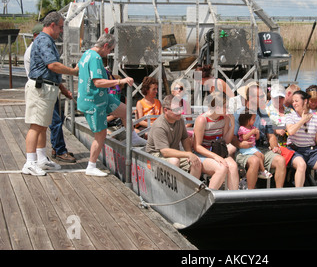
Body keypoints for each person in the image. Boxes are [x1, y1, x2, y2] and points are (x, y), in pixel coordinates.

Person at [77, 33, 147, 177]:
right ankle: (91, 165)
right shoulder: (96, 58)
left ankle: (132, 136)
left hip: (103, 97)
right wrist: (119, 81)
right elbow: (97, 82)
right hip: (94, 101)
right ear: (105, 46)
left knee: (126, 111)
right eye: (110, 50)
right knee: (101, 133)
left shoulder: (86, 54)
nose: (109, 53)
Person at [23, 12, 79, 176]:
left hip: (47, 88)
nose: (61, 31)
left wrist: (61, 88)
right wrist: (73, 72)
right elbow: (52, 65)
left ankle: (41, 158)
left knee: (42, 125)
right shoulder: (44, 40)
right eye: (60, 27)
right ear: (52, 25)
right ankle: (30, 162)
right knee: (36, 125)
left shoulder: (44, 40)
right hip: (41, 89)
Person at [233, 82, 286, 189]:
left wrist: (275, 147)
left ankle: (279, 194)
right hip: (244, 151)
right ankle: (250, 195)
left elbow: (271, 136)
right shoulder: (239, 114)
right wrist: (241, 144)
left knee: (280, 160)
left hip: (262, 148)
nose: (264, 98)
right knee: (254, 161)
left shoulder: (264, 113)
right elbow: (232, 139)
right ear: (251, 97)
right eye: (261, 96)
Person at [285, 90, 317, 187]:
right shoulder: (290, 116)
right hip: (295, 150)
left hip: (311, 151)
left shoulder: (315, 118)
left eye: (296, 101)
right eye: (293, 101)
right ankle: (298, 194)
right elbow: (290, 131)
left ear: (305, 101)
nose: (294, 104)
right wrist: (303, 120)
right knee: (301, 165)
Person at [145, 94, 202, 178]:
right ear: (166, 110)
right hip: (156, 156)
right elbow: (165, 152)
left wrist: (189, 153)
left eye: (181, 108)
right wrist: (188, 155)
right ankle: (175, 190)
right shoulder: (159, 126)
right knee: (174, 161)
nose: (179, 112)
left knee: (196, 162)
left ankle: (192, 190)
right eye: (176, 109)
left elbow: (185, 138)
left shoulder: (179, 119)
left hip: (172, 153)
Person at [193, 91, 239, 190]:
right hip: (204, 155)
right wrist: (215, 157)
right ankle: (210, 198)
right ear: (218, 107)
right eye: (225, 106)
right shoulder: (202, 120)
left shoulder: (225, 118)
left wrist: (232, 126)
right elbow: (197, 146)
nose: (228, 109)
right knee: (221, 168)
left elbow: (226, 141)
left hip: (218, 152)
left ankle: (234, 198)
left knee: (233, 166)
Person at [238, 113, 272, 179]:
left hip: (252, 147)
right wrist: (251, 132)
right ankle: (263, 170)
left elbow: (256, 138)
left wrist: (257, 133)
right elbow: (244, 138)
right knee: (259, 155)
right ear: (248, 121)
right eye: (253, 119)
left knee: (262, 155)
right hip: (246, 148)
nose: (255, 120)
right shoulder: (242, 128)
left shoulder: (253, 128)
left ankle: (259, 170)